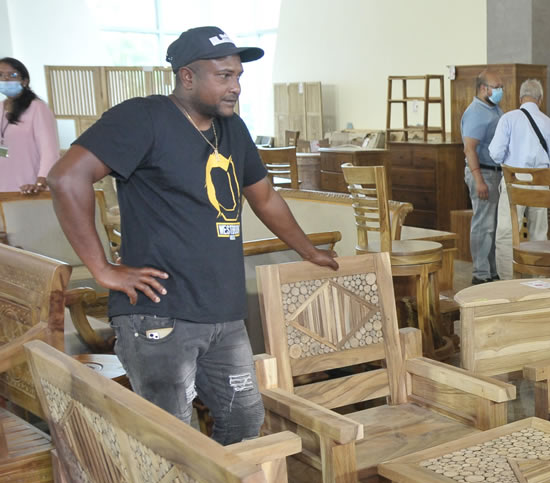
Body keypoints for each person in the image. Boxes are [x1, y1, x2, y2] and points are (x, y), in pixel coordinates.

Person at [47, 26, 338, 445]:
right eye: (224, 76)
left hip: (222, 309)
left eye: (238, 75)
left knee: (244, 419)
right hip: (160, 313)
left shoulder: (231, 128)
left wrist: (308, 250)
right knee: (171, 440)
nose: (236, 86)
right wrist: (103, 269)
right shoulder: (143, 117)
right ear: (187, 77)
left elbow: (266, 197)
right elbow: (66, 178)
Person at [488, 78, 550, 278]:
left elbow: (495, 153)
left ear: (521, 98)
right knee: (539, 234)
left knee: (507, 232)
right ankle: (538, 280)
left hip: (515, 179)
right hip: (542, 180)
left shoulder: (508, 118)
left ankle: (506, 280)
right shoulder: (549, 124)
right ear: (540, 100)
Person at [461, 69, 504, 285]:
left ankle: (491, 270)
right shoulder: (476, 112)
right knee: (483, 224)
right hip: (483, 172)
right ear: (483, 88)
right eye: (496, 87)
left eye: (500, 87)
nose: (500, 91)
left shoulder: (493, 108)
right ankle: (480, 272)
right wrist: (479, 180)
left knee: (493, 226)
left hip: (495, 172)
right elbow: (470, 149)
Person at [0, 57, 59, 194]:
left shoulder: (37, 108)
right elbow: (4, 148)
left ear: (24, 81)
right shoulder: (1, 107)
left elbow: (49, 151)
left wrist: (40, 182)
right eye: (1, 75)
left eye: (12, 75)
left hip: (29, 186)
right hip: (4, 185)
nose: (5, 79)